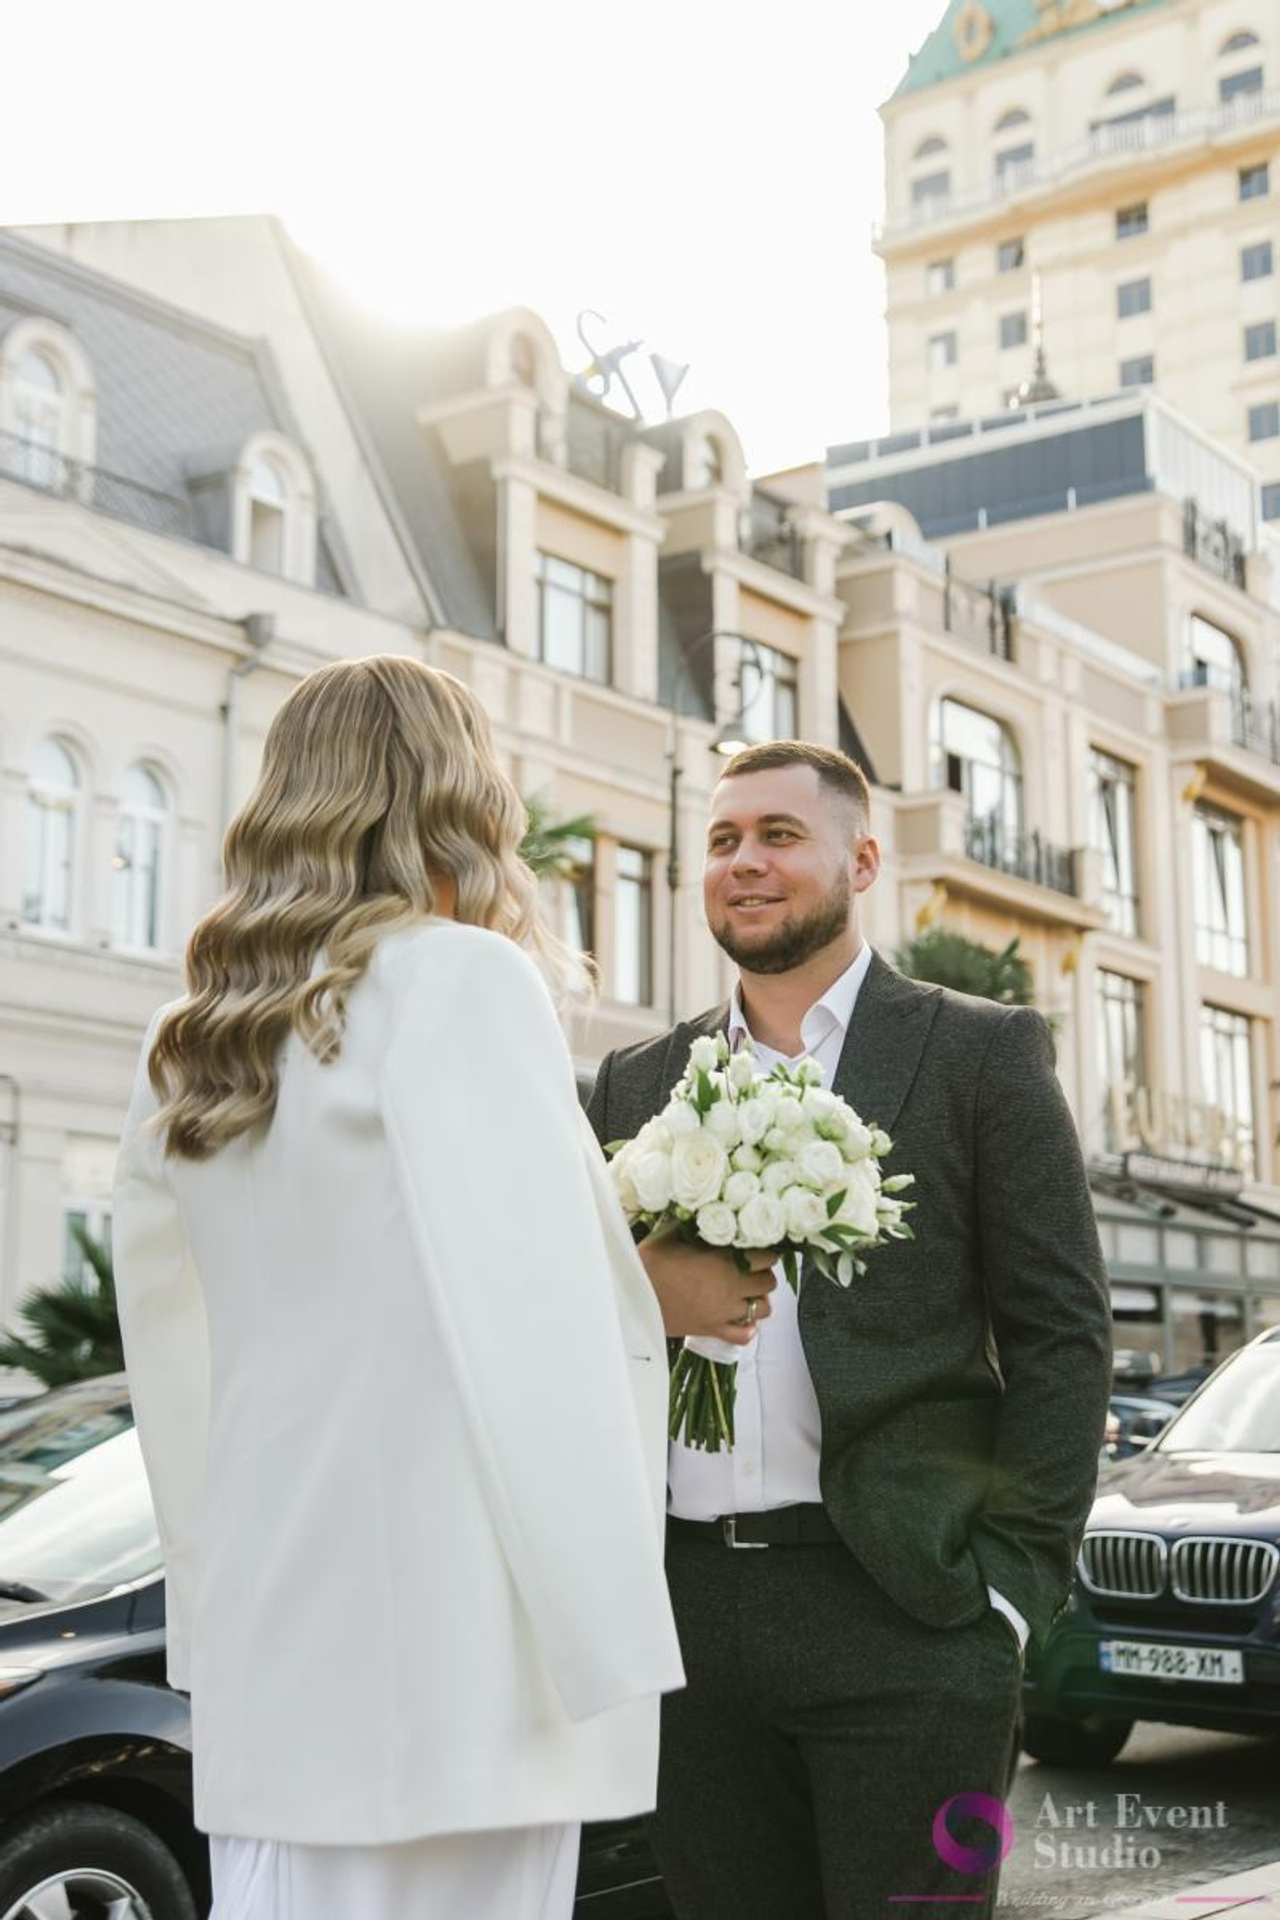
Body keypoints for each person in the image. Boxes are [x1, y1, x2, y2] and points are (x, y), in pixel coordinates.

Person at [112, 655, 684, 1920]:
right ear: (456, 796)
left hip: (275, 1626)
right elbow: (533, 1323)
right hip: (450, 1636)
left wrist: (211, 1603)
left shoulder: (192, 1042)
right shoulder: (457, 978)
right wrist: (663, 1300)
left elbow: (170, 1354)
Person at [586, 739, 1113, 1920]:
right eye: (721, 841)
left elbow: (1062, 1335)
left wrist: (1007, 1596)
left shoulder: (977, 1053)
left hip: (906, 1616)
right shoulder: (632, 1085)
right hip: (687, 1625)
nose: (743, 864)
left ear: (862, 858)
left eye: (778, 835)